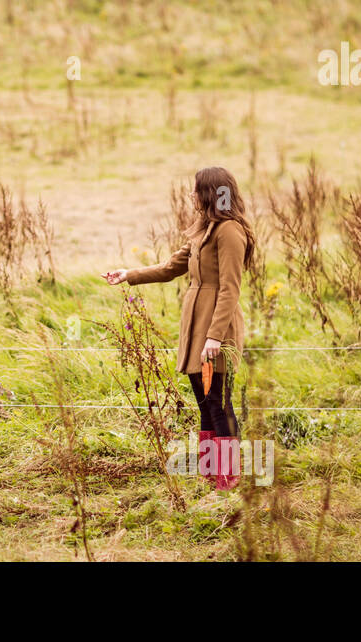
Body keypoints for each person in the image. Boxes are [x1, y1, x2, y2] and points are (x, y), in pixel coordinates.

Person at [102, 166, 255, 490]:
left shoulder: (229, 231)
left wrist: (215, 337)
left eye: (196, 190)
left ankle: (228, 480)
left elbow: (230, 288)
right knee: (204, 400)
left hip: (217, 326)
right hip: (197, 322)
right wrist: (129, 274)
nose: (191, 196)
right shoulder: (205, 229)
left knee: (218, 402)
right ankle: (212, 474)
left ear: (210, 194)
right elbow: (171, 267)